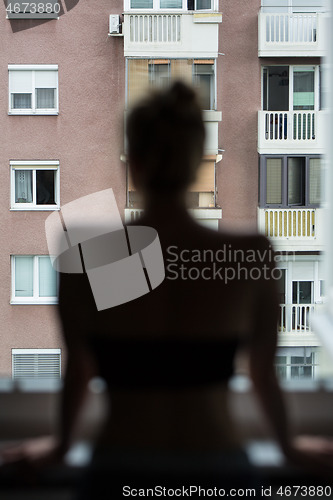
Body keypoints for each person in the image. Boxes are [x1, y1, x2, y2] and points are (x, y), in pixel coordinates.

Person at [2, 82, 333, 496]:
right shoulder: (251, 254)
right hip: (218, 468)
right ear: (198, 162)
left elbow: (78, 372)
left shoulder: (84, 258)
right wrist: (288, 447)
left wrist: (60, 446)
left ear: (134, 162)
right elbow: (264, 374)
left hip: (119, 469)